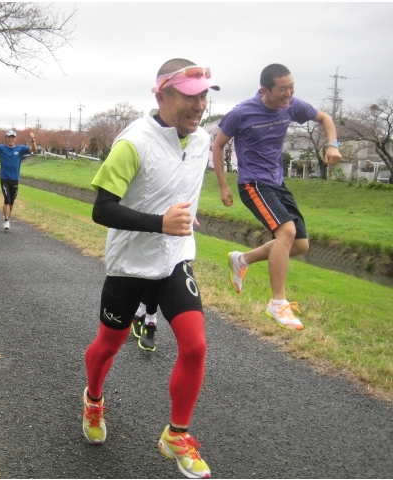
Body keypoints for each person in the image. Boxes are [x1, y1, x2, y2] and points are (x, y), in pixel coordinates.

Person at [82, 58, 218, 479]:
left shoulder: (200, 141)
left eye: (205, 97)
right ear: (162, 96)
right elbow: (101, 209)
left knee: (195, 346)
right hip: (129, 264)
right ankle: (93, 398)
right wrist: (158, 222)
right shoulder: (133, 142)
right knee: (109, 344)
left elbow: (179, 188)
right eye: (190, 97)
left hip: (174, 258)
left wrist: (185, 216)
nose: (200, 107)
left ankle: (176, 435)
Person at [212, 64, 342, 331]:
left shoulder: (292, 106)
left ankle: (242, 259)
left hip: (276, 183)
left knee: (300, 244)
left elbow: (325, 118)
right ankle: (278, 303)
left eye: (291, 86)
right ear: (265, 90)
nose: (288, 93)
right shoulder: (242, 112)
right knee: (286, 232)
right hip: (252, 182)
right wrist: (223, 185)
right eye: (282, 89)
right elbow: (218, 144)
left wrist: (333, 143)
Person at [0, 130, 37, 230]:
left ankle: (7, 216)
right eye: (9, 137)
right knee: (7, 200)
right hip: (4, 178)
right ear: (6, 139)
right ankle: (6, 221)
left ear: (15, 139)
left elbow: (33, 149)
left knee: (11, 201)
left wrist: (33, 139)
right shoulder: (1, 148)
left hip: (15, 178)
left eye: (13, 137)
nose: (11, 139)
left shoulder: (20, 149)